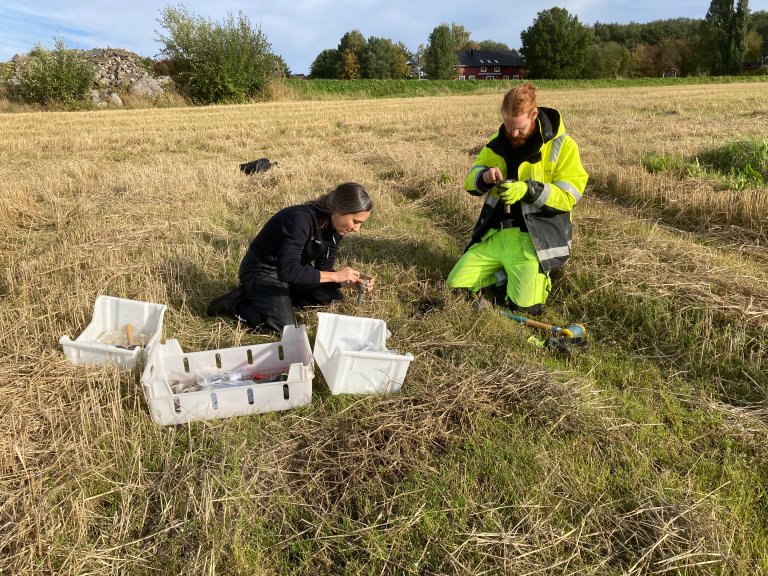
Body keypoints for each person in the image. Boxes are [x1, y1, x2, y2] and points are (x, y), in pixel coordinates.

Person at [446, 82, 588, 315]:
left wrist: (527, 190)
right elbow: (470, 181)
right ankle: (505, 276)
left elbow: (568, 196)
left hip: (533, 240)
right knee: (455, 286)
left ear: (534, 114)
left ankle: (528, 278)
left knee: (524, 308)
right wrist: (484, 176)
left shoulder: (563, 146)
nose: (513, 133)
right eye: (508, 125)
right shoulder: (497, 141)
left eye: (519, 127)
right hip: (497, 235)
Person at [207, 182, 375, 334]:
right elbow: (287, 271)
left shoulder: (336, 229)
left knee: (330, 296)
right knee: (284, 328)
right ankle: (235, 302)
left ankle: (277, 300)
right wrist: (335, 276)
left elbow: (323, 268)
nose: (357, 229)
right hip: (262, 269)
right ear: (339, 210)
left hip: (294, 270)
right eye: (355, 221)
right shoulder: (300, 219)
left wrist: (345, 282)